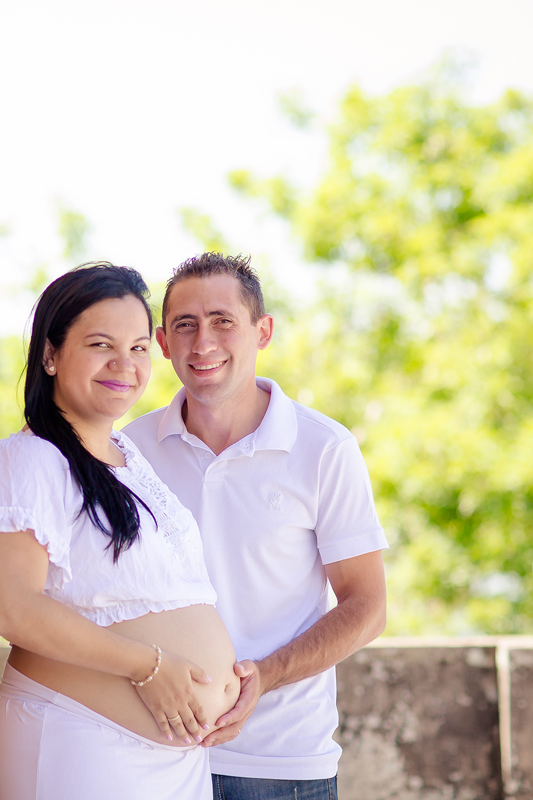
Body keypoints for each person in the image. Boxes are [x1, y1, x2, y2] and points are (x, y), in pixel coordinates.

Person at [123, 253, 388, 800]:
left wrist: (263, 677)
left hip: (281, 763)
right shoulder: (128, 452)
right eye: (185, 325)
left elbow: (367, 607)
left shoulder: (323, 448)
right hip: (150, 754)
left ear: (262, 331)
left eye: (223, 321)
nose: (203, 343)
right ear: (163, 341)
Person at [0, 263, 241, 800]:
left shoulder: (132, 459)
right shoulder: (33, 460)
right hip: (83, 743)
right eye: (102, 344)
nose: (125, 364)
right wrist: (150, 666)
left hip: (175, 762)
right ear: (50, 354)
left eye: (140, 348)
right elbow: (9, 607)